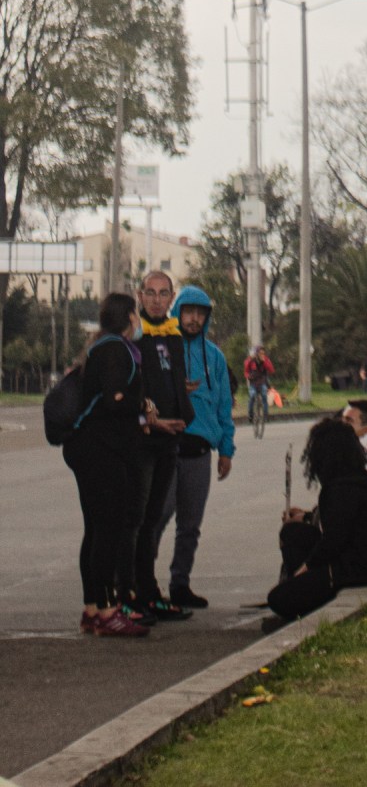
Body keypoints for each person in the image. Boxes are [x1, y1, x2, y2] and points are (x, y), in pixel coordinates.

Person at [62, 291, 153, 637]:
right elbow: (116, 400)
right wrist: (141, 403)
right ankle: (106, 610)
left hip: (90, 448)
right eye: (136, 313)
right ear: (130, 317)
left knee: (96, 529)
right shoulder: (117, 350)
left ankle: (92, 609)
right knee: (109, 530)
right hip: (102, 451)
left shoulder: (100, 347)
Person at [265, 415, 367, 629]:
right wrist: (306, 518)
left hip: (352, 569)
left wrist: (306, 568)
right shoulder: (365, 481)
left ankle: (307, 602)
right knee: (293, 532)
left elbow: (333, 541)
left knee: (278, 599)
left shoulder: (339, 490)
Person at [153, 283, 235, 609]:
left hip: (200, 449)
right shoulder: (163, 349)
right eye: (189, 312)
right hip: (166, 444)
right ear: (178, 312)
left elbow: (223, 405)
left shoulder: (214, 357)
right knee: (159, 515)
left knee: (190, 525)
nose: (194, 319)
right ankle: (139, 580)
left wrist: (227, 449)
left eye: (200, 314)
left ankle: (180, 583)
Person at [132, 271, 194, 620]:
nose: (156, 299)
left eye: (163, 293)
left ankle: (150, 591)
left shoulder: (173, 336)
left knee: (154, 517)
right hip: (144, 438)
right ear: (140, 296)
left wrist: (183, 400)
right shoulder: (136, 337)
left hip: (171, 437)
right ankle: (136, 592)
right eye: (150, 293)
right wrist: (152, 417)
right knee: (139, 520)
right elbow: (135, 388)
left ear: (172, 298)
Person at [243, 342, 275, 424]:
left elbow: (271, 370)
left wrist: (265, 362)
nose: (262, 355)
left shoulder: (266, 360)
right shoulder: (251, 361)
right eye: (260, 353)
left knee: (264, 395)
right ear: (256, 353)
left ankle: (265, 415)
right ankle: (250, 415)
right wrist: (248, 376)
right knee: (252, 396)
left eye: (263, 353)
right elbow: (246, 371)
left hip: (262, 382)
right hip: (253, 383)